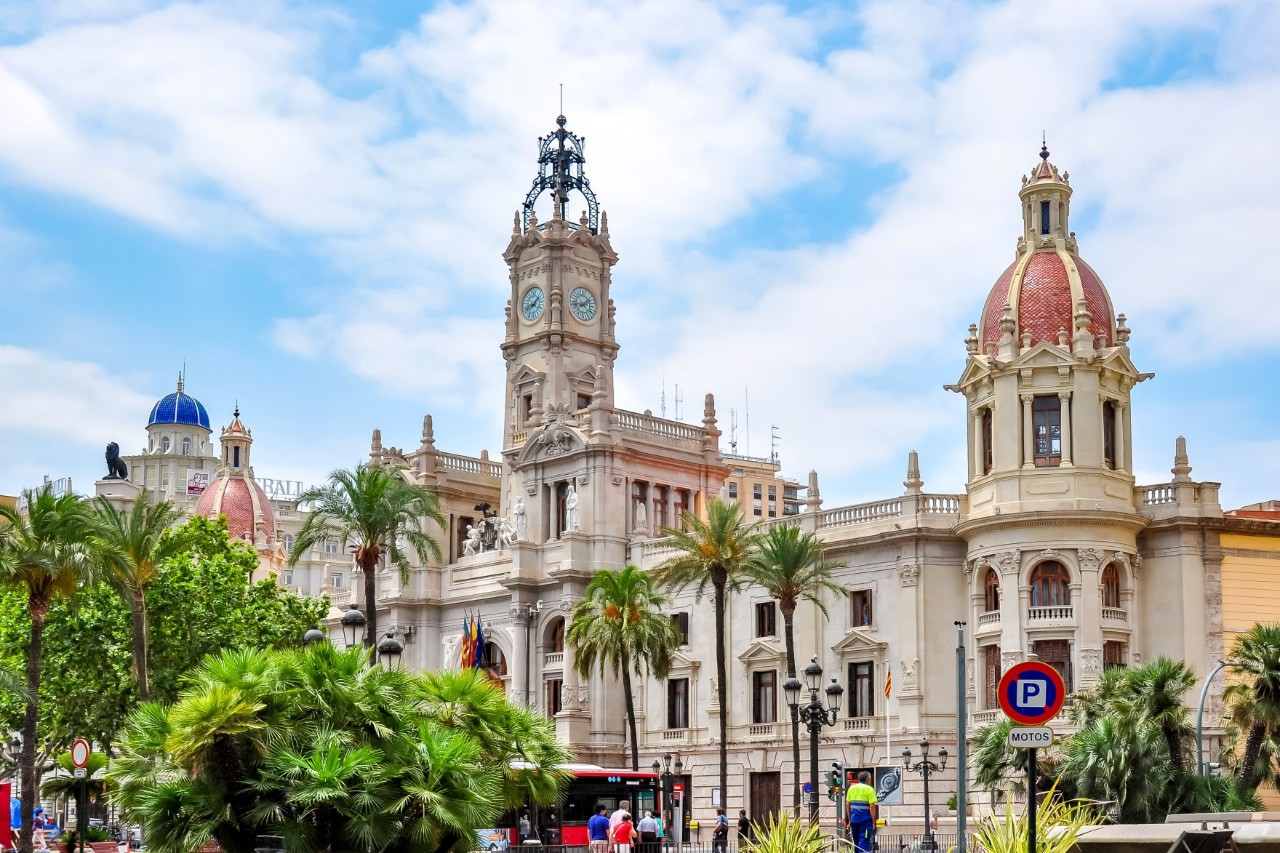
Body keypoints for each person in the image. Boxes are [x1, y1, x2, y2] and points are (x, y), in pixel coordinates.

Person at [846, 771, 879, 853]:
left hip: (854, 821)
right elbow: (872, 807)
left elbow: (847, 805)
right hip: (865, 822)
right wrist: (874, 822)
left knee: (856, 844)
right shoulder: (870, 789)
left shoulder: (851, 788)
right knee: (864, 843)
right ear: (868, 779)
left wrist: (850, 820)